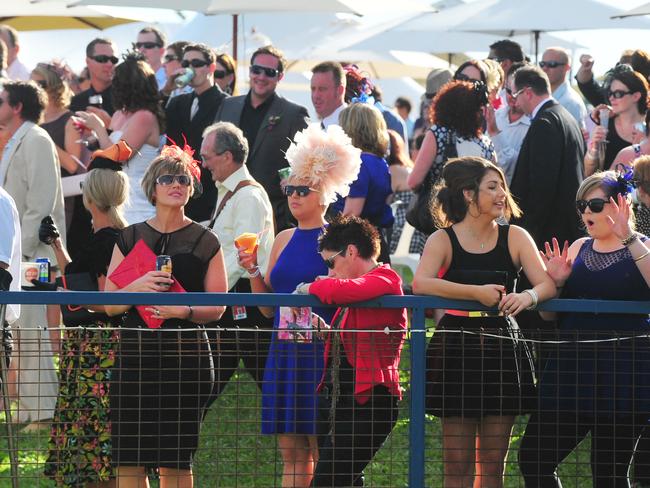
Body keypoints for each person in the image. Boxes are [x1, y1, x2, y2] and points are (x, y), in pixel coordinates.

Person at [412, 156, 556, 487]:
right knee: (457, 461)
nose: (502, 193)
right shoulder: (442, 240)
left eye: (502, 186)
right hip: (456, 347)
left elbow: (546, 284)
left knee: (493, 462)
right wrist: (474, 292)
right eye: (492, 187)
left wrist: (526, 298)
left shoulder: (516, 236)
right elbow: (422, 283)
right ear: (467, 193)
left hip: (503, 347)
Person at [238, 123, 361, 487]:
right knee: (291, 453)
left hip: (324, 354)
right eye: (289, 189)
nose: (293, 196)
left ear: (323, 194)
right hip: (285, 350)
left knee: (325, 451)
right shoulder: (282, 238)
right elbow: (265, 309)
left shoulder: (340, 238)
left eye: (302, 190)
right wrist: (253, 272)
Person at [104, 146, 227, 488]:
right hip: (136, 356)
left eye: (183, 179)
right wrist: (138, 285)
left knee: (175, 459)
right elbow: (111, 305)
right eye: (167, 178)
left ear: (191, 188)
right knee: (129, 458)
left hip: (185, 357)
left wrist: (184, 310)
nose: (176, 184)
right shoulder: (129, 236)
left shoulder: (206, 240)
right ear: (152, 187)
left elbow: (218, 307)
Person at [519, 170, 650, 487]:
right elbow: (550, 320)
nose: (586, 212)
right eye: (581, 205)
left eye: (594, 203)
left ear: (621, 204)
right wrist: (559, 285)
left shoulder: (642, 246)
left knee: (608, 473)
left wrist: (628, 236)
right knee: (534, 459)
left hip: (624, 376)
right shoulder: (577, 248)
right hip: (572, 372)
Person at [295, 215, 407, 487]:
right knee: (345, 481)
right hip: (338, 402)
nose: (330, 271)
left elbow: (340, 291)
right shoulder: (360, 289)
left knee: (327, 482)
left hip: (368, 404)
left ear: (352, 252)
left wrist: (308, 287)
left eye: (331, 262)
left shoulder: (386, 278)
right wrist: (327, 333)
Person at [42, 155, 129, 487]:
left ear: (90, 197)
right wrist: (57, 246)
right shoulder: (121, 237)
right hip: (98, 350)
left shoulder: (107, 242)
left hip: (97, 353)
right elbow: (79, 279)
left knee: (94, 442)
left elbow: (107, 300)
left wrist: (68, 296)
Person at [0, 81, 64, 425]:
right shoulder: (18, 139)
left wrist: (15, 255)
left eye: (1, 102)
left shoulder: (37, 139)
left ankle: (43, 409)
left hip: (33, 256)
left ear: (18, 106)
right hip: (21, 256)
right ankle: (30, 405)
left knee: (34, 328)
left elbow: (40, 204)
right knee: (22, 329)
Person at [200, 121, 275, 404]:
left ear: (227, 157)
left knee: (275, 390)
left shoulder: (249, 196)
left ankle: (310, 443)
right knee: (205, 386)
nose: (204, 164)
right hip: (235, 300)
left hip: (248, 302)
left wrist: (210, 292)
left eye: (207, 157)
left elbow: (243, 256)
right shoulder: (232, 192)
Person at [215, 45, 309, 232]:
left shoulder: (293, 114)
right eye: (256, 70)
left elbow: (305, 165)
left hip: (272, 214)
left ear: (280, 76)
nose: (261, 77)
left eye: (269, 72)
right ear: (249, 72)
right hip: (227, 208)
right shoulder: (228, 105)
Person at [75, 51, 164, 225]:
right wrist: (94, 136)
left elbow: (118, 156)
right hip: (114, 200)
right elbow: (108, 144)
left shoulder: (145, 117)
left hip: (137, 202)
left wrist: (99, 127)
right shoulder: (119, 114)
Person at [509, 64, 585, 248]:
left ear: (527, 92)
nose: (515, 103)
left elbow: (541, 186)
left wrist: (527, 232)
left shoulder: (545, 122)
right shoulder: (565, 117)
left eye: (515, 95)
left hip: (548, 235)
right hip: (564, 227)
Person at [165, 43, 227, 223]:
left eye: (196, 63)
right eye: (186, 63)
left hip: (209, 194)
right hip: (177, 189)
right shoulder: (178, 101)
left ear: (211, 67)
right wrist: (167, 89)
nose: (190, 68)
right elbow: (155, 123)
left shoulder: (226, 103)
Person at [331, 103, 394, 263]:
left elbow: (351, 214)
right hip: (376, 241)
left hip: (357, 249)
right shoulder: (380, 162)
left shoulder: (359, 163)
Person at [408, 80, 496, 192]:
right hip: (477, 207)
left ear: (444, 106)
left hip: (442, 207)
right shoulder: (486, 144)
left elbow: (413, 182)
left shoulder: (438, 134)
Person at [30, 62, 85, 240]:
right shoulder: (30, 119)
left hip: (58, 197)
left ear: (54, 87)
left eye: (40, 84)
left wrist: (43, 136)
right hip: (31, 192)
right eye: (31, 85)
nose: (34, 89)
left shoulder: (69, 120)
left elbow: (71, 165)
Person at [586, 69, 648, 176]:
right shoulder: (604, 125)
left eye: (618, 94)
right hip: (606, 190)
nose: (611, 98)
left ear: (636, 96)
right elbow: (588, 173)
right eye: (610, 93)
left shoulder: (648, 128)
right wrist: (593, 150)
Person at [484, 62, 531, 184]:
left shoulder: (534, 125)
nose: (512, 96)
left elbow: (514, 166)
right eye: (509, 91)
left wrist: (495, 133)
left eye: (518, 92)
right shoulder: (497, 116)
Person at [387, 129, 427, 255]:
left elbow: (385, 203)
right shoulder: (409, 169)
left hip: (397, 235)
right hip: (416, 234)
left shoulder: (392, 171)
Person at [540, 47, 588, 128]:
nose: (545, 68)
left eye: (552, 64)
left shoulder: (571, 103)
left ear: (567, 67)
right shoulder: (542, 97)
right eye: (542, 64)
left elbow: (574, 139)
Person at [311, 61, 346, 129]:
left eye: (322, 89)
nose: (316, 95)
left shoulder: (352, 125)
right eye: (313, 89)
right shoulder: (322, 125)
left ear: (340, 90)